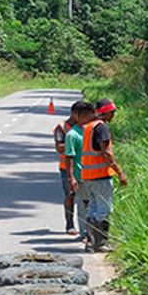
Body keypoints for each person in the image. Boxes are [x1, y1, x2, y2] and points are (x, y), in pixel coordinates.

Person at [77, 98, 128, 252]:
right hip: (100, 176)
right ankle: (101, 243)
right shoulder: (101, 128)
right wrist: (120, 173)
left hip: (88, 176)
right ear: (105, 112)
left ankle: (91, 243)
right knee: (103, 210)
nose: (113, 115)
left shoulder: (88, 127)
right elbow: (106, 153)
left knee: (92, 209)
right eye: (112, 112)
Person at [53, 101, 87, 235]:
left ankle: (86, 227)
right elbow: (59, 147)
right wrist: (73, 144)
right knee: (70, 195)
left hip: (85, 166)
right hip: (66, 167)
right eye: (83, 115)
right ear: (74, 114)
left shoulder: (86, 127)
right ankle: (70, 224)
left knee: (86, 197)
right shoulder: (61, 128)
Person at [63, 101, 95, 242]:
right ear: (79, 116)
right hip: (80, 176)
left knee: (94, 205)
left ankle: (94, 233)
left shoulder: (91, 130)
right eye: (88, 116)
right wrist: (71, 178)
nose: (91, 118)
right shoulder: (72, 135)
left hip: (94, 175)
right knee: (84, 206)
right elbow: (68, 157)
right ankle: (84, 233)